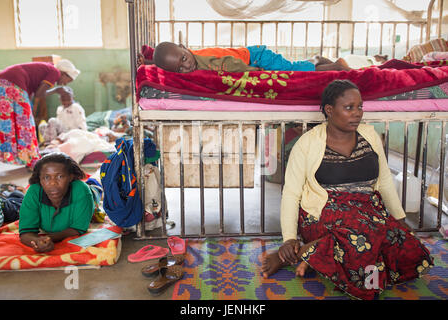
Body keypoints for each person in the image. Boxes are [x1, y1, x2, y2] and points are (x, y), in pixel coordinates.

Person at [261, 79, 433, 300]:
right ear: (329, 110)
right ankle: (304, 251)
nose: (357, 113)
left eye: (359, 106)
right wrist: (289, 238)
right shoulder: (307, 144)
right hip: (323, 212)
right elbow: (292, 193)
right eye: (349, 107)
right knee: (364, 239)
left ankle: (307, 254)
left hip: (369, 211)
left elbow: (385, 180)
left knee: (410, 250)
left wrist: (399, 218)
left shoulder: (370, 136)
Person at [0, 59, 80, 167]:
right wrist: (57, 90)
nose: (64, 83)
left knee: (7, 123)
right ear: (64, 73)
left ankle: (12, 155)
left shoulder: (46, 69)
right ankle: (31, 161)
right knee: (25, 124)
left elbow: (34, 93)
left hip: (3, 82)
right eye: (66, 80)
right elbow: (39, 94)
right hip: (14, 83)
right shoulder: (55, 72)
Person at [18, 153, 95, 253]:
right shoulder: (34, 191)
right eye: (46, 177)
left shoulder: (82, 191)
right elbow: (25, 232)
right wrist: (37, 241)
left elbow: (79, 228)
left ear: (71, 177)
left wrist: (48, 238)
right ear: (40, 179)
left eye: (60, 176)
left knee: (96, 184)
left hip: (93, 195)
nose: (53, 183)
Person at [151, 42, 350, 73]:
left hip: (256, 58)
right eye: (179, 69)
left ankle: (337, 66)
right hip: (251, 54)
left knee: (292, 71)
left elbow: (231, 64)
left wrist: (253, 72)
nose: (186, 68)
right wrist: (152, 62)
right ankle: (318, 60)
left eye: (184, 60)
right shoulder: (186, 58)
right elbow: (171, 61)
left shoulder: (205, 60)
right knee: (292, 65)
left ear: (185, 49)